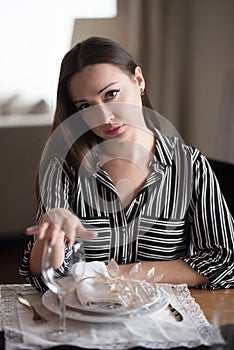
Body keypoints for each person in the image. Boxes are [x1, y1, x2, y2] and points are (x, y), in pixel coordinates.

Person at [20, 36, 234, 292]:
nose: (105, 117)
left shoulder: (191, 165)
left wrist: (118, 274)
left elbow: (224, 261)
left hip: (166, 321)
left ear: (139, 81)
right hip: (87, 321)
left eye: (111, 94)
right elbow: (46, 276)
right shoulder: (64, 166)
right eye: (86, 106)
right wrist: (52, 227)